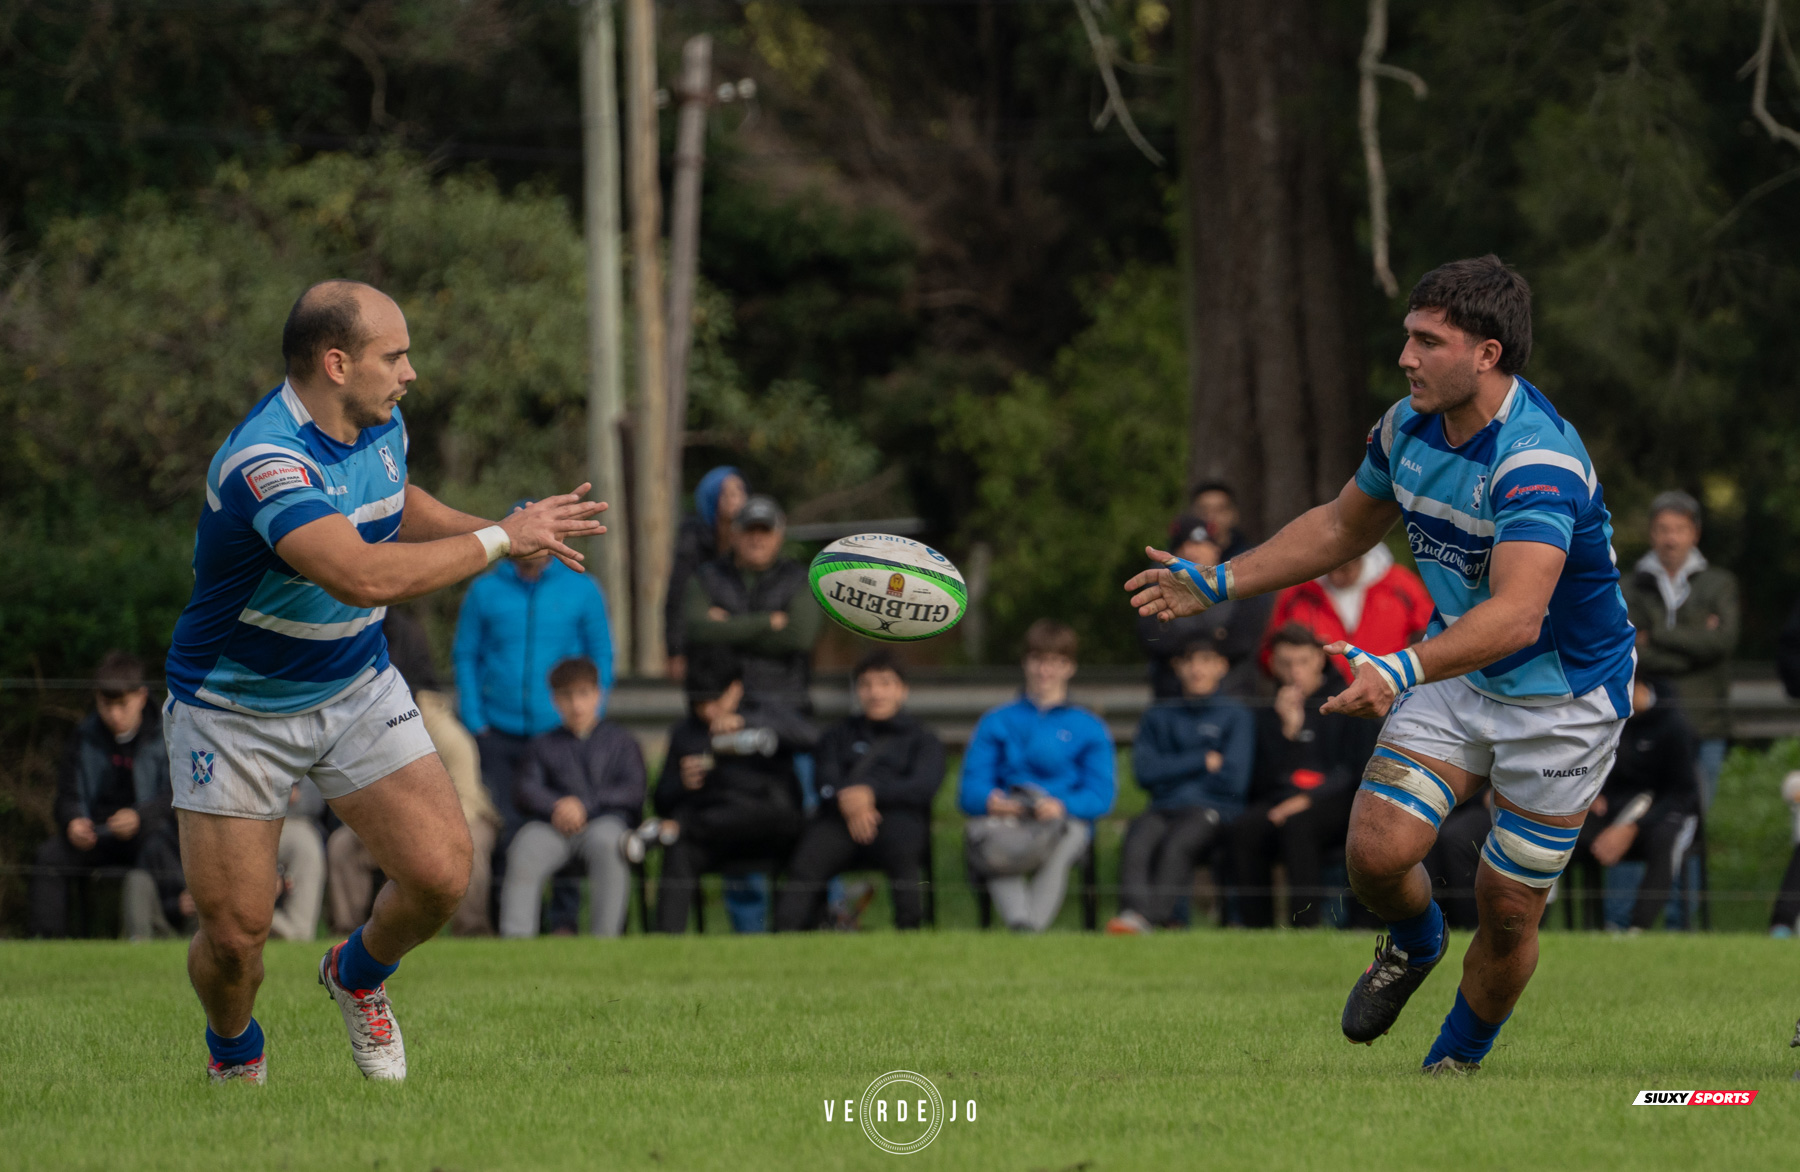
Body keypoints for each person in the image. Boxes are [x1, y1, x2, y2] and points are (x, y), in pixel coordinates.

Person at [1127, 255, 1636, 1074]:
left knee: (1508, 909)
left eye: (1428, 342)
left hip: (1563, 702)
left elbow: (1518, 615)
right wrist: (1218, 582)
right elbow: (1340, 527)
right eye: (1408, 336)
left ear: (1487, 354)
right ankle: (1415, 940)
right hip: (1459, 668)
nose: (1406, 357)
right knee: (1374, 850)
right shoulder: (1407, 427)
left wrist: (1398, 669)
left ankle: (1452, 1064)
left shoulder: (1536, 460)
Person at [161, 279, 605, 1083]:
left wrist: (504, 530)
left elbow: (395, 504)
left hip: (354, 683)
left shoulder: (379, 420)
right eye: (394, 356)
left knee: (441, 875)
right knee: (235, 941)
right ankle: (235, 1052)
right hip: (234, 709)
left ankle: (356, 974)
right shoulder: (266, 462)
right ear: (337, 364)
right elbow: (360, 575)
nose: (410, 373)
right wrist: (500, 541)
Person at [683, 493, 823, 930]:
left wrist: (726, 625)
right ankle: (748, 929)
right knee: (736, 814)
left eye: (765, 531)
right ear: (734, 534)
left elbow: (800, 636)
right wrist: (767, 623)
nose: (757, 539)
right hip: (729, 717)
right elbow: (695, 629)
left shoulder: (799, 579)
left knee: (813, 816)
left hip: (789, 716)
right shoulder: (707, 577)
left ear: (779, 535)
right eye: (749, 531)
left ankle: (823, 915)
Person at [329, 607, 500, 937]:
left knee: (472, 842)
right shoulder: (370, 730)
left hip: (461, 817)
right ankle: (345, 931)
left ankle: (472, 929)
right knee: (342, 844)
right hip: (395, 822)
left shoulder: (449, 735)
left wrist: (425, 831)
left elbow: (468, 801)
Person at [958, 620, 1116, 932]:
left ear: (1070, 667)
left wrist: (1061, 805)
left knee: (1068, 834)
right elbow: (970, 789)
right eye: (1038, 660)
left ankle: (1026, 928)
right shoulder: (996, 721)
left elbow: (1101, 795)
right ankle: (1025, 928)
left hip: (1063, 819)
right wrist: (993, 802)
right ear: (1025, 663)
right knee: (995, 842)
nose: (1045, 671)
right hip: (1009, 817)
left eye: (1056, 662)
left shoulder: (1089, 726)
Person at [773, 650, 946, 932]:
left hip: (897, 820)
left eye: (885, 683)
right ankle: (784, 936)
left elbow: (923, 786)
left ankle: (911, 932)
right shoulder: (836, 734)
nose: (875, 692)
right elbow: (824, 780)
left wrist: (872, 794)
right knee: (808, 860)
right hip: (840, 819)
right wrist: (852, 802)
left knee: (904, 852)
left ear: (902, 690)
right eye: (866, 684)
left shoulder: (923, 739)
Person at [1228, 625, 1381, 929]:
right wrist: (1288, 734)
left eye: (1302, 662)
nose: (1294, 671)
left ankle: (1304, 925)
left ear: (1319, 660)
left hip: (1339, 802)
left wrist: (1306, 800)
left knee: (1299, 826)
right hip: (1280, 801)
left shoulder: (1349, 702)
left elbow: (1356, 771)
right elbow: (1261, 781)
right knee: (1244, 829)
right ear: (1273, 665)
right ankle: (1255, 931)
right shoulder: (1267, 712)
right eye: (1285, 663)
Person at [651, 656, 809, 934]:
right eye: (700, 703)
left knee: (774, 818)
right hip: (715, 833)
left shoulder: (763, 712)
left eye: (715, 700)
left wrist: (748, 722)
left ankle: (801, 930)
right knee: (680, 849)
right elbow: (661, 800)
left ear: (735, 689)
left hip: (769, 825)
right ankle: (666, 940)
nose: (709, 711)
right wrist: (681, 783)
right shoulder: (686, 732)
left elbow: (811, 737)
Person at [1108, 640, 1252, 934]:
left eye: (1206, 660)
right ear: (1178, 667)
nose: (1197, 669)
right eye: (1189, 661)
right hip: (1164, 808)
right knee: (1138, 835)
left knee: (1179, 841)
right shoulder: (1158, 715)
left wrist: (1172, 772)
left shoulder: (1237, 716)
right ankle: (1133, 914)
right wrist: (1201, 760)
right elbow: (1145, 773)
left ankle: (1154, 919)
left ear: (1221, 666)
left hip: (1213, 811)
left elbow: (1234, 781)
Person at [29, 652, 173, 938]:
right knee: (49, 857)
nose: (114, 715)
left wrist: (140, 817)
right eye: (107, 705)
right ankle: (46, 943)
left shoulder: (166, 734)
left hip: (148, 835)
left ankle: (172, 933)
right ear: (97, 697)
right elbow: (66, 796)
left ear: (142, 696)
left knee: (165, 849)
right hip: (96, 835)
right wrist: (73, 821)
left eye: (122, 705)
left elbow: (176, 795)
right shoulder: (84, 736)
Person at [498, 657, 645, 937]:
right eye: (567, 696)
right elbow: (525, 790)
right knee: (525, 846)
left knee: (611, 844)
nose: (576, 704)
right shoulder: (542, 745)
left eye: (583, 693)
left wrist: (585, 806)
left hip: (605, 823)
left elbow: (633, 791)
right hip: (552, 827)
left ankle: (605, 942)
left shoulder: (622, 742)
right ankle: (515, 943)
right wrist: (557, 806)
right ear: (555, 700)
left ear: (598, 694)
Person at [1622, 490, 1738, 808]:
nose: (1671, 539)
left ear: (1695, 533)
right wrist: (1695, 643)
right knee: (1642, 817)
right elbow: (1627, 648)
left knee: (1696, 817)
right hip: (1645, 722)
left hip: (1705, 721)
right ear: (1651, 533)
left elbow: (1722, 643)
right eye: (1663, 529)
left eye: (1679, 529)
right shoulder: (1630, 586)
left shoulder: (1719, 583)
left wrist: (1656, 635)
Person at [1567, 676, 1700, 931]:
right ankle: (1582, 928)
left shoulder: (1674, 725)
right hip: (1613, 810)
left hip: (1663, 813)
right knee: (1567, 828)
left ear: (1641, 686)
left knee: (1665, 840)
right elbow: (1595, 766)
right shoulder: (1609, 719)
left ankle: (1638, 929)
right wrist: (1593, 792)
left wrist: (1632, 827)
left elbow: (1682, 793)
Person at [1258, 541, 1434, 685]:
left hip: (1392, 691)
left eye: (1345, 569)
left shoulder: (1399, 584)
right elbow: (1270, 652)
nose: (1336, 576)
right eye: (1330, 568)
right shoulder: (1299, 592)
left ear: (1362, 558)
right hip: (1319, 700)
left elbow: (1431, 637)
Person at [1136, 519, 1269, 699]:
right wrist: (1211, 639)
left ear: (1216, 550)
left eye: (1199, 545)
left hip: (1233, 692)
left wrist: (1195, 648)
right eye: (1183, 546)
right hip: (1173, 695)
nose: (1190, 552)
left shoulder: (1237, 580)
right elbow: (1152, 637)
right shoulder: (1159, 584)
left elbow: (1244, 638)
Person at [665, 465, 749, 681]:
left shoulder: (755, 537)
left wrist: (734, 618)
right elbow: (677, 595)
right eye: (725, 493)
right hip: (703, 650)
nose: (734, 499)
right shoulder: (692, 540)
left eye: (739, 491)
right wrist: (675, 650)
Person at [268, 780, 326, 941]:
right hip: (235, 820)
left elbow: (312, 802)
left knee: (305, 843)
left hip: (288, 819)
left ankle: (296, 931)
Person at [1185, 482, 1252, 559]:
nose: (1211, 517)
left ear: (1234, 514)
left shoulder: (1250, 556)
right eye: (1203, 510)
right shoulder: (1181, 555)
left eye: (1220, 510)